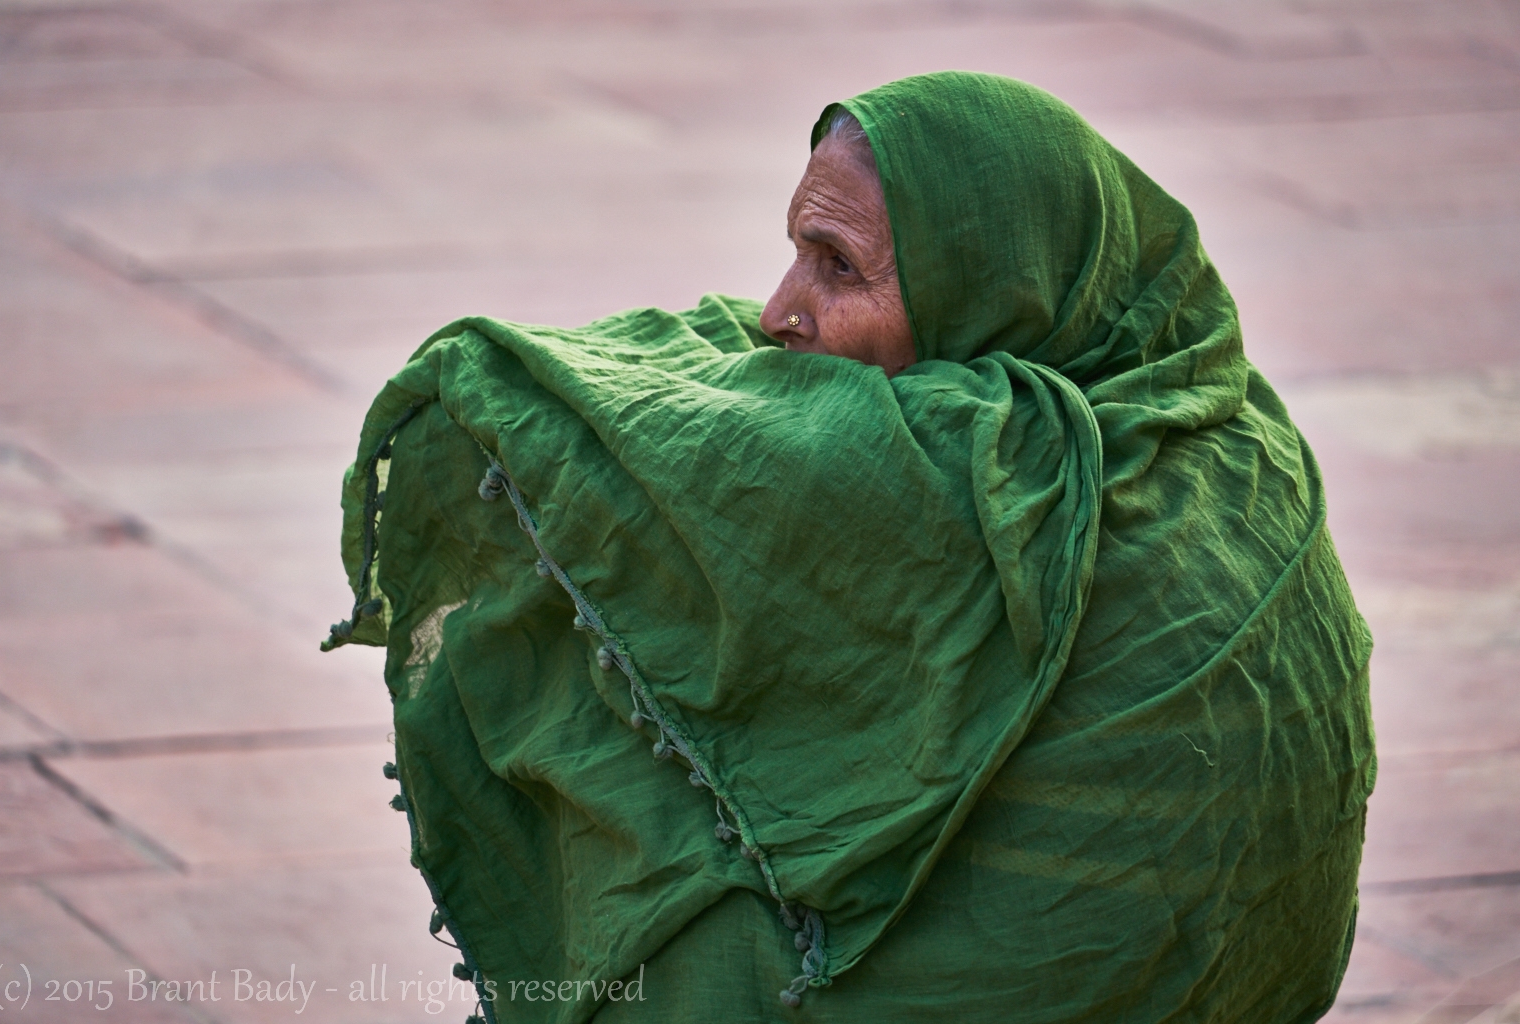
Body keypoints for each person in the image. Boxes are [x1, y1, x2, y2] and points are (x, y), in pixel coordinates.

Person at [325, 72, 1375, 1023]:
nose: (781, 310)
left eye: (835, 266)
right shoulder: (1230, 439)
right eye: (794, 250)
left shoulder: (991, 473)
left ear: (993, 281)